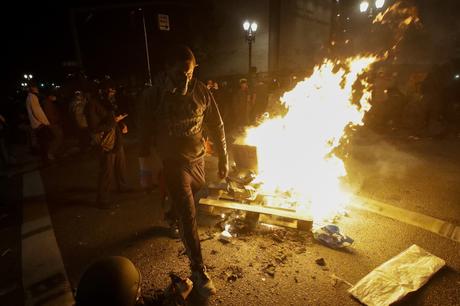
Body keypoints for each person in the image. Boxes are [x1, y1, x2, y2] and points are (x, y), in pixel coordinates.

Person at [138, 45, 228, 298]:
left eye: (189, 73)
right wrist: (145, 169)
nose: (185, 79)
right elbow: (143, 133)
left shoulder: (201, 91)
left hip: (197, 160)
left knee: (194, 194)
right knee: (189, 217)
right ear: (167, 70)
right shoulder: (153, 96)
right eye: (180, 74)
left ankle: (170, 212)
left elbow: (217, 124)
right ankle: (199, 270)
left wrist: (224, 159)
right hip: (172, 163)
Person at [86, 85, 129, 209]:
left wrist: (122, 124)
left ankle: (122, 187)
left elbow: (114, 118)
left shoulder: (107, 102)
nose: (112, 93)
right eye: (109, 91)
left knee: (121, 165)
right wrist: (114, 121)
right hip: (107, 142)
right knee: (107, 171)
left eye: (113, 90)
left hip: (116, 139)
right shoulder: (92, 105)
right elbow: (95, 128)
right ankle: (102, 199)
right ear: (101, 91)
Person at [25, 82, 52, 163]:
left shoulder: (30, 97)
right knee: (44, 143)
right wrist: (45, 122)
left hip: (38, 124)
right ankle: (45, 160)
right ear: (32, 88)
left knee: (43, 143)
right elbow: (36, 112)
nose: (37, 89)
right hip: (40, 124)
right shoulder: (32, 97)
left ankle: (45, 159)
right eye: (36, 87)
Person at [42, 90, 63, 158]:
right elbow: (50, 115)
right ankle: (51, 152)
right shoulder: (47, 104)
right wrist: (56, 120)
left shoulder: (49, 103)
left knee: (58, 137)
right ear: (50, 96)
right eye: (53, 96)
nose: (55, 97)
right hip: (53, 123)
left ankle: (53, 151)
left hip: (53, 123)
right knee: (58, 137)